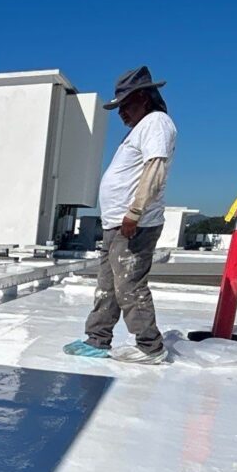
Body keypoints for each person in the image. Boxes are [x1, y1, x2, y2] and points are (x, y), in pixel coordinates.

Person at [65, 65, 177, 365]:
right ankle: (97, 339)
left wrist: (135, 212)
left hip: (134, 224)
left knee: (129, 285)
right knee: (108, 285)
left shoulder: (156, 122)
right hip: (117, 223)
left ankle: (150, 346)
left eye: (125, 105)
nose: (121, 113)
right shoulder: (139, 129)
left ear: (143, 97)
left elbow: (155, 167)